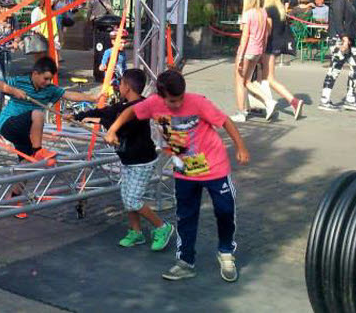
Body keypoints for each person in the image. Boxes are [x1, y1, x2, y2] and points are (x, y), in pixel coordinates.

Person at [104, 69, 249, 283]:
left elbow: (225, 121)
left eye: (180, 98)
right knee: (186, 217)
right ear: (161, 97)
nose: (177, 104)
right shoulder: (153, 104)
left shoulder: (198, 103)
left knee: (225, 211)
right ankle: (185, 262)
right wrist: (113, 129)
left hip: (214, 167)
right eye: (172, 101)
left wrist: (241, 147)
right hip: (185, 172)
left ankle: (226, 253)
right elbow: (131, 112)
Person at [66, 69, 174, 250]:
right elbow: (106, 112)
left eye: (121, 84)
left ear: (128, 87)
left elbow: (124, 129)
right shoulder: (123, 104)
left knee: (133, 200)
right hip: (128, 160)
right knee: (127, 198)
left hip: (142, 161)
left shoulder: (141, 108)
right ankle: (136, 232)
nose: (119, 86)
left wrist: (102, 124)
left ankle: (162, 227)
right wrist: (78, 116)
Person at [0, 57, 97, 164]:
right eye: (45, 78)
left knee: (27, 164)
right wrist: (13, 90)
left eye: (50, 79)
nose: (48, 82)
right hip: (8, 124)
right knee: (38, 114)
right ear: (35, 74)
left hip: (24, 133)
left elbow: (70, 95)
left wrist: (93, 98)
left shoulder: (50, 89)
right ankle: (38, 150)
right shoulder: (20, 81)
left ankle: (19, 179)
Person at [260, 0, 303, 120]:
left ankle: (292, 101)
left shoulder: (268, 10)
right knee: (264, 77)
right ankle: (265, 104)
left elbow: (267, 31)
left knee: (269, 78)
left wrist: (261, 45)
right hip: (278, 44)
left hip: (270, 45)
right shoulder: (279, 10)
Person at [232, 0, 273, 122]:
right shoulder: (263, 12)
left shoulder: (248, 14)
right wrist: (262, 52)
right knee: (247, 81)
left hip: (247, 50)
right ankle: (268, 101)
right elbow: (266, 35)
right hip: (257, 50)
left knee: (239, 82)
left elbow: (244, 37)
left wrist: (240, 57)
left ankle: (241, 112)